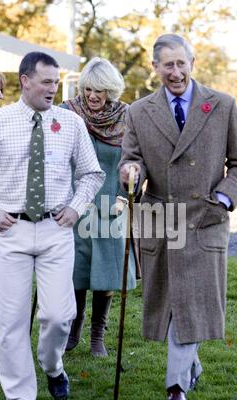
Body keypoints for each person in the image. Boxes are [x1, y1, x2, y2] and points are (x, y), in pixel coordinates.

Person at [119, 34, 237, 400]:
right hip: (161, 221)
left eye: (181, 64)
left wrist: (223, 200)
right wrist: (130, 172)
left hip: (205, 220)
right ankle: (188, 368)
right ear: (155, 68)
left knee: (191, 300)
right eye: (167, 65)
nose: (175, 72)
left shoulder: (222, 104)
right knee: (176, 304)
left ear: (193, 62)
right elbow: (132, 161)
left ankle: (175, 388)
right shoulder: (139, 112)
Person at [0, 52, 105, 400]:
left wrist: (76, 207)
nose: (53, 88)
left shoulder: (70, 123)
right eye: (46, 82)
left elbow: (92, 173)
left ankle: (53, 365)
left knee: (59, 316)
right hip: (10, 232)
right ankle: (19, 399)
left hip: (56, 230)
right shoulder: (0, 121)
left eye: (56, 82)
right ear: (25, 80)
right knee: (10, 321)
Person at [61, 57, 136, 356]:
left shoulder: (126, 116)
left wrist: (122, 196)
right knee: (77, 271)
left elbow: (133, 159)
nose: (93, 96)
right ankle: (73, 330)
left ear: (111, 91)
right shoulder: (68, 112)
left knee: (106, 272)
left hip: (110, 204)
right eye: (89, 89)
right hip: (75, 204)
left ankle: (97, 336)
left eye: (100, 90)